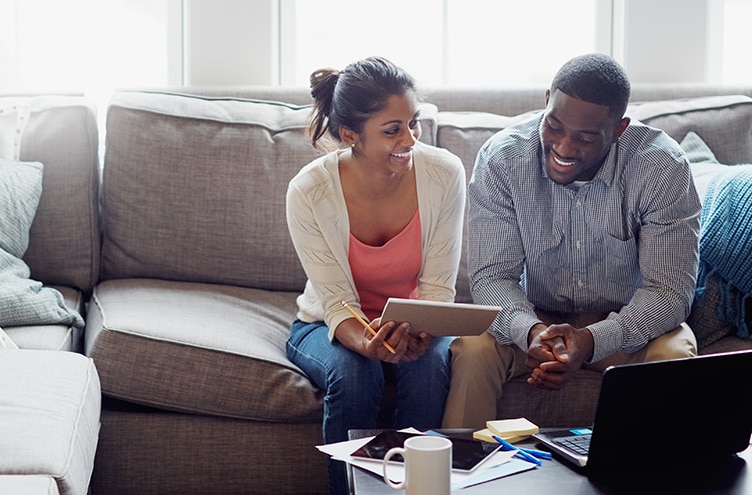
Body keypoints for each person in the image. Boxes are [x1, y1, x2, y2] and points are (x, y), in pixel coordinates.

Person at [442, 53, 701, 429]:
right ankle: (462, 479)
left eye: (585, 138)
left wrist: (591, 341)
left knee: (675, 353)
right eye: (555, 126)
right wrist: (530, 332)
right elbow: (491, 278)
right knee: (473, 348)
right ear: (547, 100)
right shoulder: (503, 159)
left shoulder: (661, 169)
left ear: (618, 129)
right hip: (536, 321)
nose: (564, 148)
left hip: (623, 327)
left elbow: (670, 292)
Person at [285, 56, 466, 494]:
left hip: (415, 318)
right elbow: (336, 303)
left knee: (429, 367)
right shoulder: (309, 192)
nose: (410, 139)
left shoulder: (444, 174)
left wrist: (423, 328)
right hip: (329, 325)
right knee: (355, 373)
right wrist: (367, 341)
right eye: (392, 130)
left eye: (413, 123)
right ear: (351, 136)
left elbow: (439, 287)